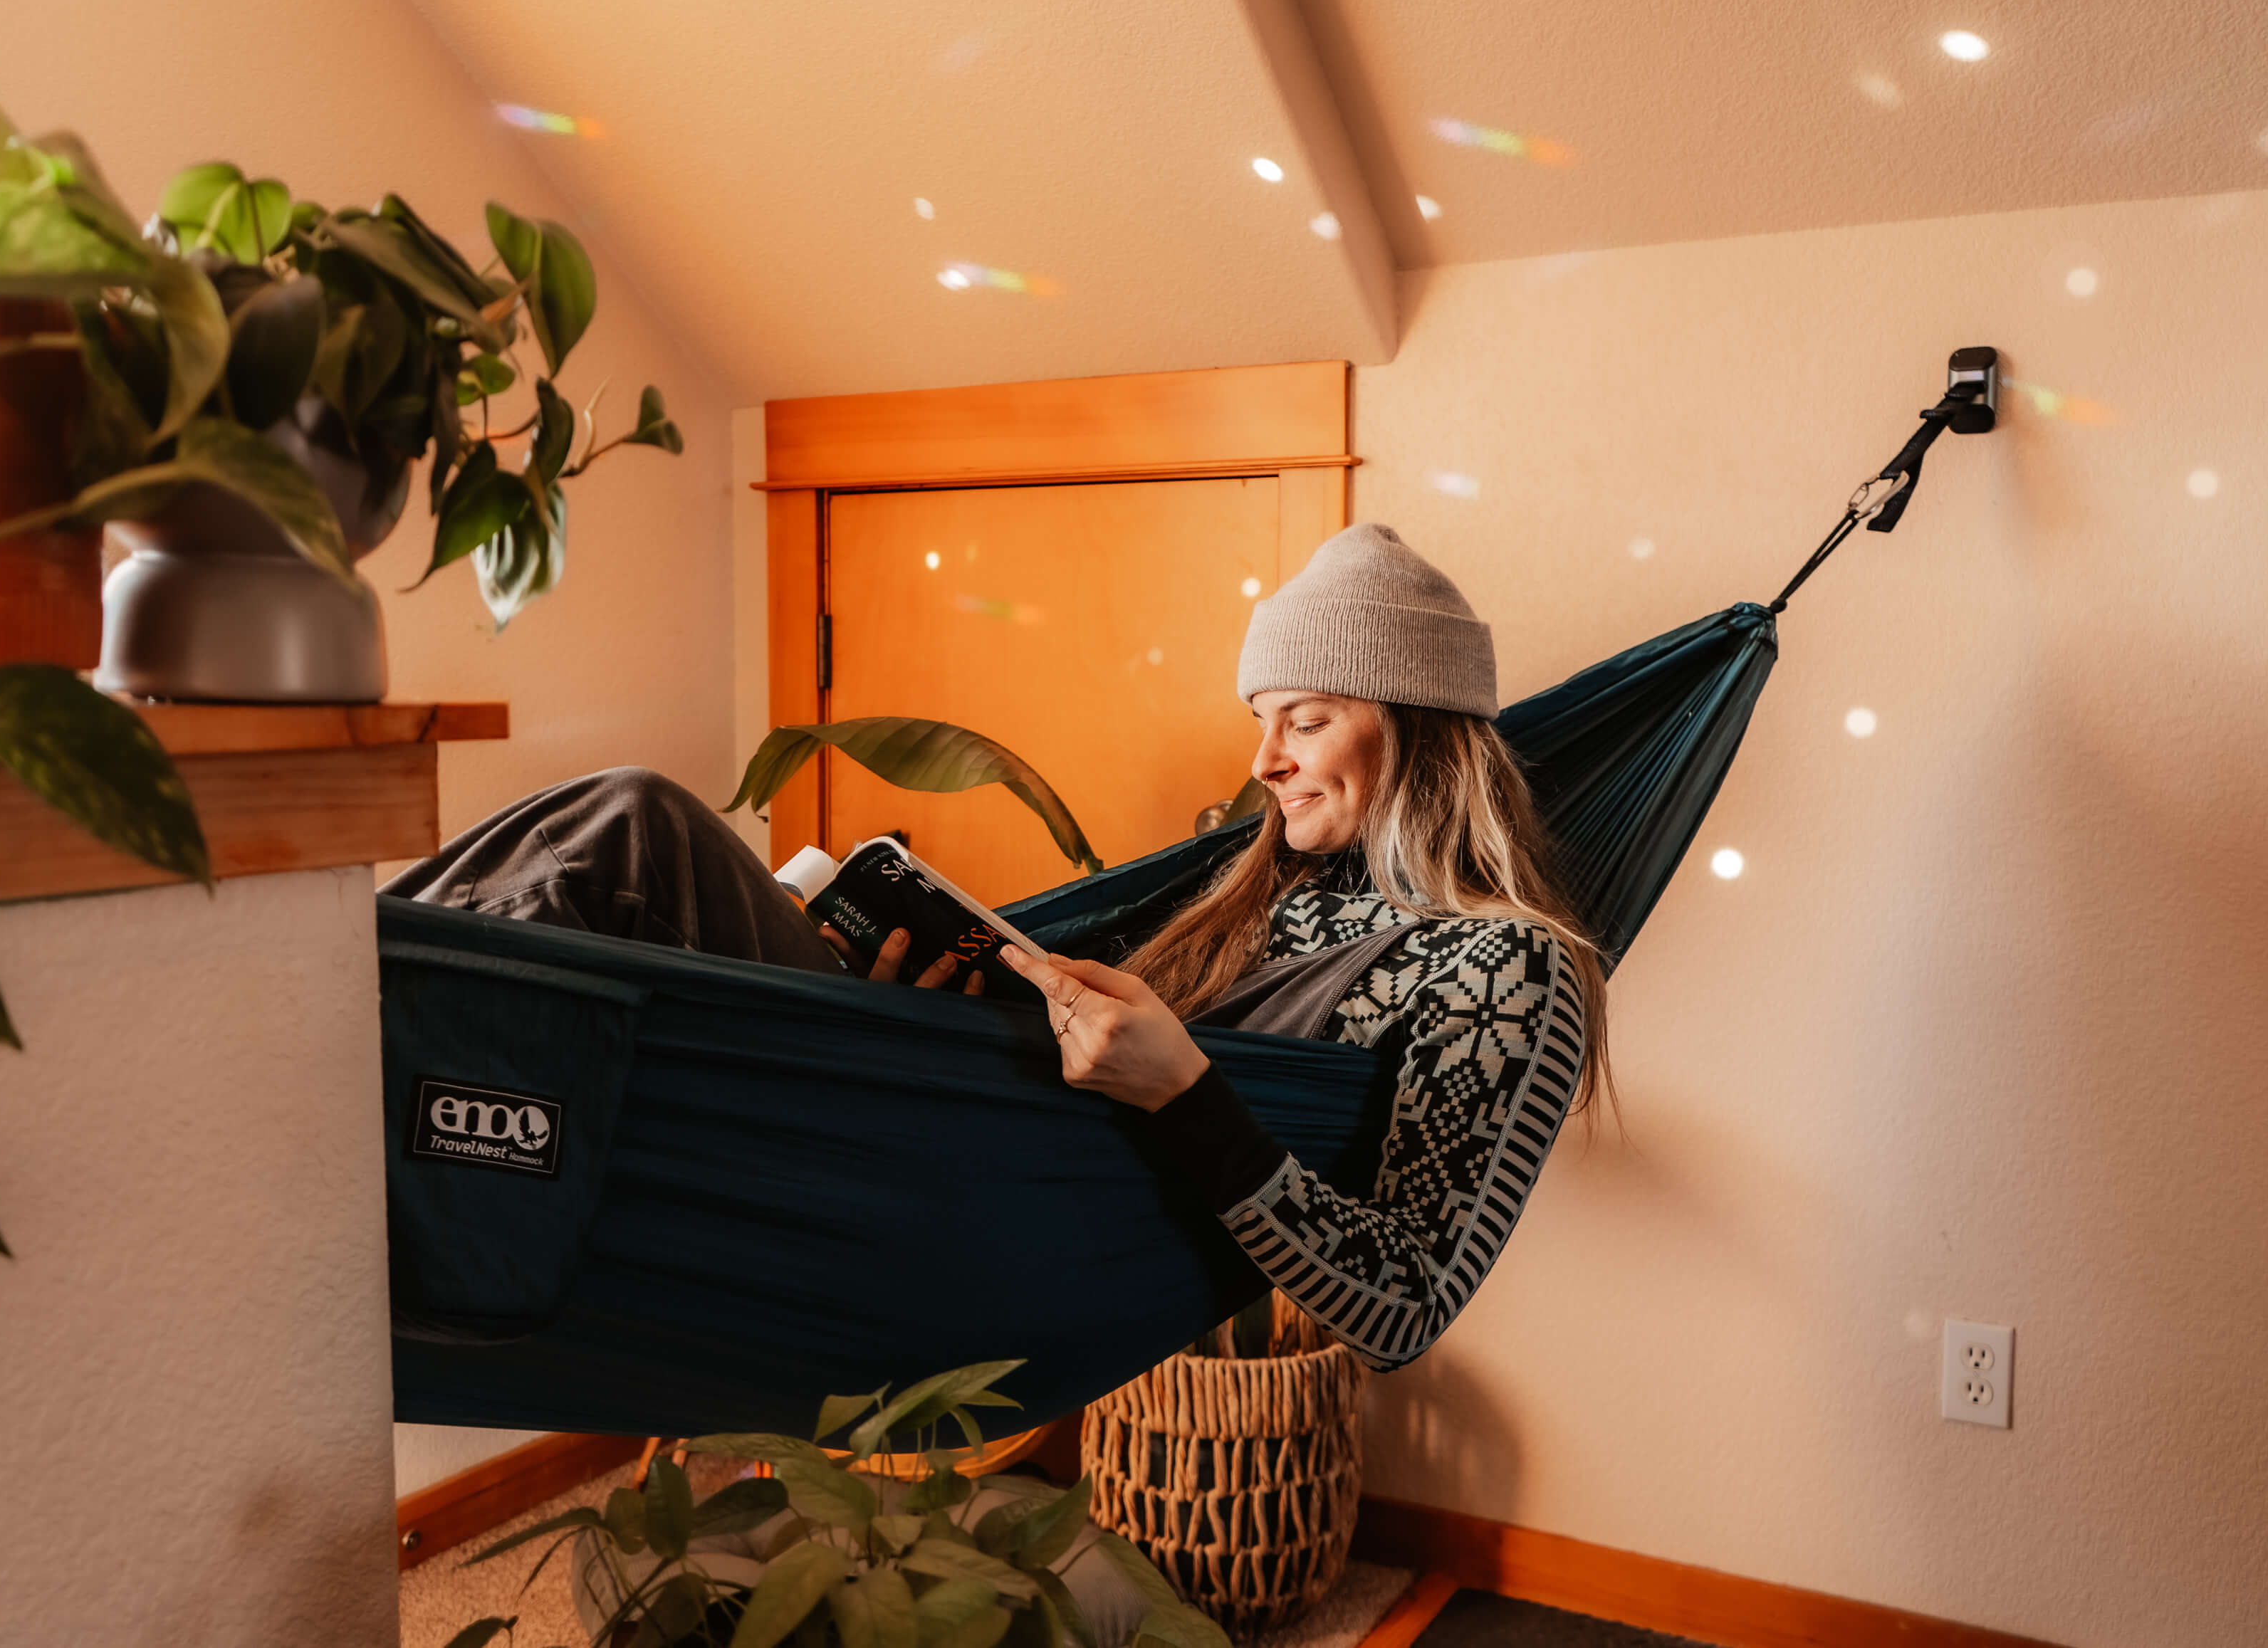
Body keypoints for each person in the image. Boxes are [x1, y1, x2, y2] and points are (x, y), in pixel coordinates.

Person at [383, 522, 1609, 1370]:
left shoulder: (1511, 971)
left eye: (1306, 717)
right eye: (1261, 720)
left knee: (640, 827)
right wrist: (924, 983)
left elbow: (1403, 1304)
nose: (1263, 760)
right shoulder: (1250, 892)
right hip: (952, 1114)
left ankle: (357, 1068)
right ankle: (374, 1061)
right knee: (625, 838)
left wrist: (1183, 1090)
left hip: (1005, 1216)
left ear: (1420, 729)